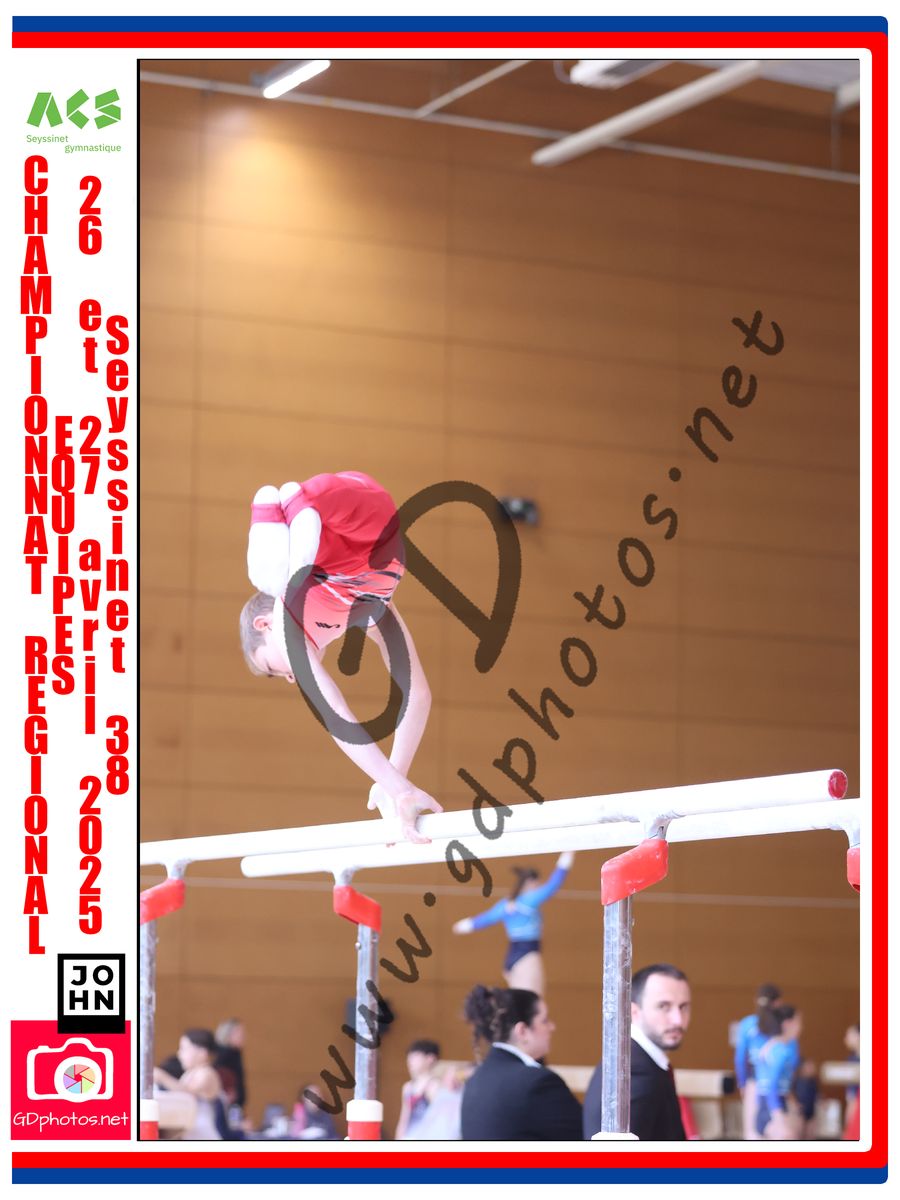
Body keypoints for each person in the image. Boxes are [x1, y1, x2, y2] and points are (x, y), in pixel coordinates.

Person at [240, 471, 441, 844]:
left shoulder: (285, 624)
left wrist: (397, 787)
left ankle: (290, 510)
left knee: (302, 550)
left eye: (272, 669)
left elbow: (336, 716)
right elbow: (417, 694)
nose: (289, 678)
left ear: (263, 625)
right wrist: (394, 781)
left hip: (340, 531)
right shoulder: (367, 617)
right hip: (374, 549)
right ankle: (295, 508)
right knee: (356, 518)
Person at [582, 963, 691, 1140]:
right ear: (634, 1012)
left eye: (683, 1007)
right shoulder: (635, 1072)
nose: (678, 1020)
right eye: (664, 1006)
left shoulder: (633, 1062)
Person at [460, 984, 582, 1140]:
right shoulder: (537, 1083)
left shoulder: (476, 1079)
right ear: (522, 1031)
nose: (552, 1027)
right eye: (544, 1021)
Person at [452, 852, 574, 994]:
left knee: (520, 1003)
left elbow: (485, 919)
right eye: (537, 884)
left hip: (512, 956)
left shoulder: (506, 904)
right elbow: (553, 885)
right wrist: (568, 855)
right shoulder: (528, 900)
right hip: (526, 954)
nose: (538, 888)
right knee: (533, 1002)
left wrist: (462, 926)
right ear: (530, 883)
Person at [153, 1028, 225, 1140]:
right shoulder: (188, 1074)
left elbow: (189, 1093)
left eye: (184, 1049)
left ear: (202, 1053)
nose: (179, 1053)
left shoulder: (207, 1073)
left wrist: (163, 1077)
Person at [734, 982, 782, 1141]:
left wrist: (742, 1083)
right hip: (778, 1085)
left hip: (754, 1082)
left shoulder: (747, 1024)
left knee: (753, 1134)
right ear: (778, 1003)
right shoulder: (783, 1025)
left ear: (756, 1000)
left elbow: (740, 1058)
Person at [395, 1039, 463, 1140]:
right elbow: (404, 1117)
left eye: (415, 1055)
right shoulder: (408, 1087)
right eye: (409, 1056)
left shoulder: (435, 1086)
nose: (409, 1060)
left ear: (430, 1058)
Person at [755, 1004, 803, 1140]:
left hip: (767, 1105)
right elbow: (771, 1085)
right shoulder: (780, 1051)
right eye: (798, 1022)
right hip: (772, 1106)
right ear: (787, 1024)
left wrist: (792, 1100)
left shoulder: (770, 1046)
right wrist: (778, 1115)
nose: (801, 1027)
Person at [214, 1018, 247, 1113]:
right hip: (228, 1104)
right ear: (229, 1034)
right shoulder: (225, 1054)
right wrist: (224, 1092)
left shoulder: (235, 1053)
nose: (243, 1037)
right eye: (240, 1033)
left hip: (233, 1104)